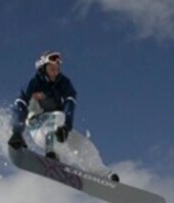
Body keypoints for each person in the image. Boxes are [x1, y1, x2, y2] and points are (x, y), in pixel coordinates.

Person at [8, 50, 119, 181]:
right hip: (39, 128)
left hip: (58, 127)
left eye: (57, 69)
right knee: (58, 115)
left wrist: (66, 127)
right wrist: (17, 132)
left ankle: (103, 174)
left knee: (82, 144)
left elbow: (69, 104)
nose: (55, 72)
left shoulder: (64, 83)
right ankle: (51, 153)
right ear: (43, 68)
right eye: (51, 68)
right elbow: (20, 105)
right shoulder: (33, 82)